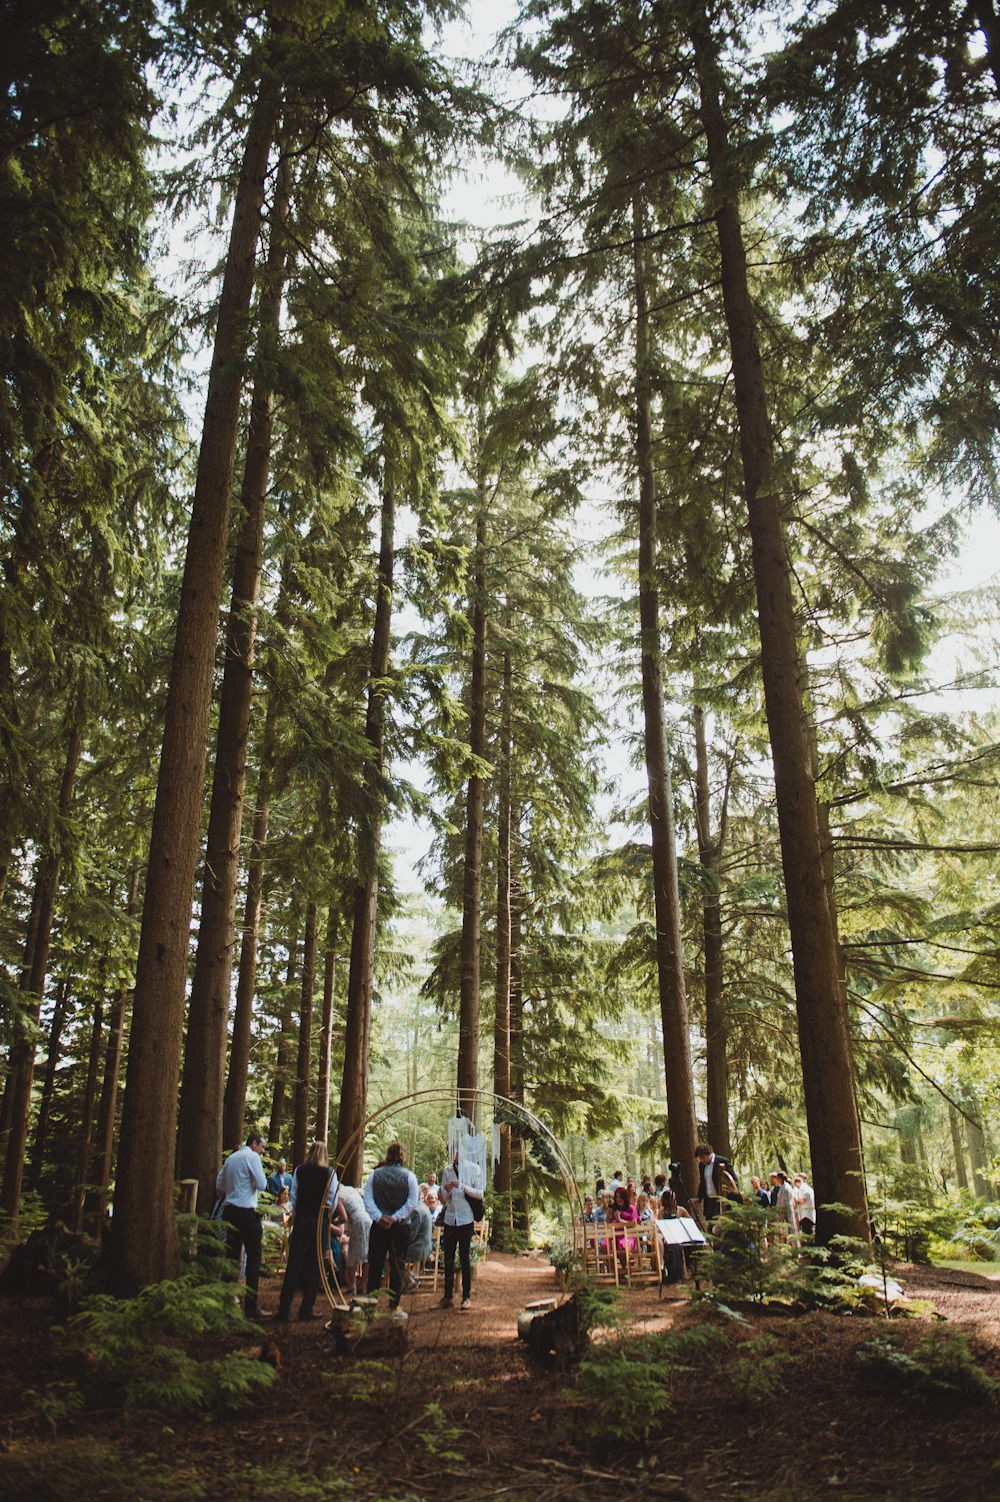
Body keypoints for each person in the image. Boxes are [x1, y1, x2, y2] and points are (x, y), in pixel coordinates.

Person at [275, 1141, 339, 1323]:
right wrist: (326, 1216)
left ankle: (284, 1308)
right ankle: (306, 1309)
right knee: (314, 1264)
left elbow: (294, 1195)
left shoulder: (300, 1170)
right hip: (319, 1221)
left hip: (302, 1219)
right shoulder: (329, 1173)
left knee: (294, 1264)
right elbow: (332, 1198)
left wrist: (298, 1213)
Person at [215, 1131, 268, 1318]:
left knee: (231, 1256)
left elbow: (219, 1185)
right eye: (262, 1147)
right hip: (246, 1212)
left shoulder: (232, 1158)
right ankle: (251, 1306)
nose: (263, 1152)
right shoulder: (252, 1157)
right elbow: (262, 1184)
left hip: (230, 1212)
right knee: (254, 1258)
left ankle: (228, 1302)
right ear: (253, 1144)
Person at [364, 1142, 419, 1310]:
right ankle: (393, 1306)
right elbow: (412, 1202)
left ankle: (370, 1305)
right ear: (402, 1156)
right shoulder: (409, 1176)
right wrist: (395, 1218)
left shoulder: (375, 1175)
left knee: (375, 1266)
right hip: (400, 1228)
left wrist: (380, 1217)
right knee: (397, 1266)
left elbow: (368, 1199)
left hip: (379, 1227)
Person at [439, 1153, 483, 1310]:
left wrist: (463, 1186)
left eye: (457, 1151)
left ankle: (466, 1297)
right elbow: (443, 1198)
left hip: (466, 1218)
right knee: (448, 1258)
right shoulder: (447, 1170)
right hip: (451, 1218)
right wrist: (448, 1189)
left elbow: (479, 1193)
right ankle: (447, 1296)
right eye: (452, 1151)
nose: (454, 1155)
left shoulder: (473, 1169)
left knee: (464, 1258)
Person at [336, 1181, 372, 1297]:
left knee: (352, 1254)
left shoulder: (339, 1196)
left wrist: (332, 1222)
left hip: (358, 1221)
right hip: (368, 1219)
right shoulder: (350, 1189)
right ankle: (363, 1284)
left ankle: (352, 1286)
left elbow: (343, 1217)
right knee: (366, 1254)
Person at [694, 1142, 742, 1224]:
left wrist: (730, 1195)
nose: (701, 1160)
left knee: (717, 1225)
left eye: (702, 1158)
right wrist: (699, 1197)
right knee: (710, 1225)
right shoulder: (702, 1165)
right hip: (708, 1201)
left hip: (720, 1200)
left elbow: (733, 1180)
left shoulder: (722, 1161)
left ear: (707, 1154)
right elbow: (703, 1182)